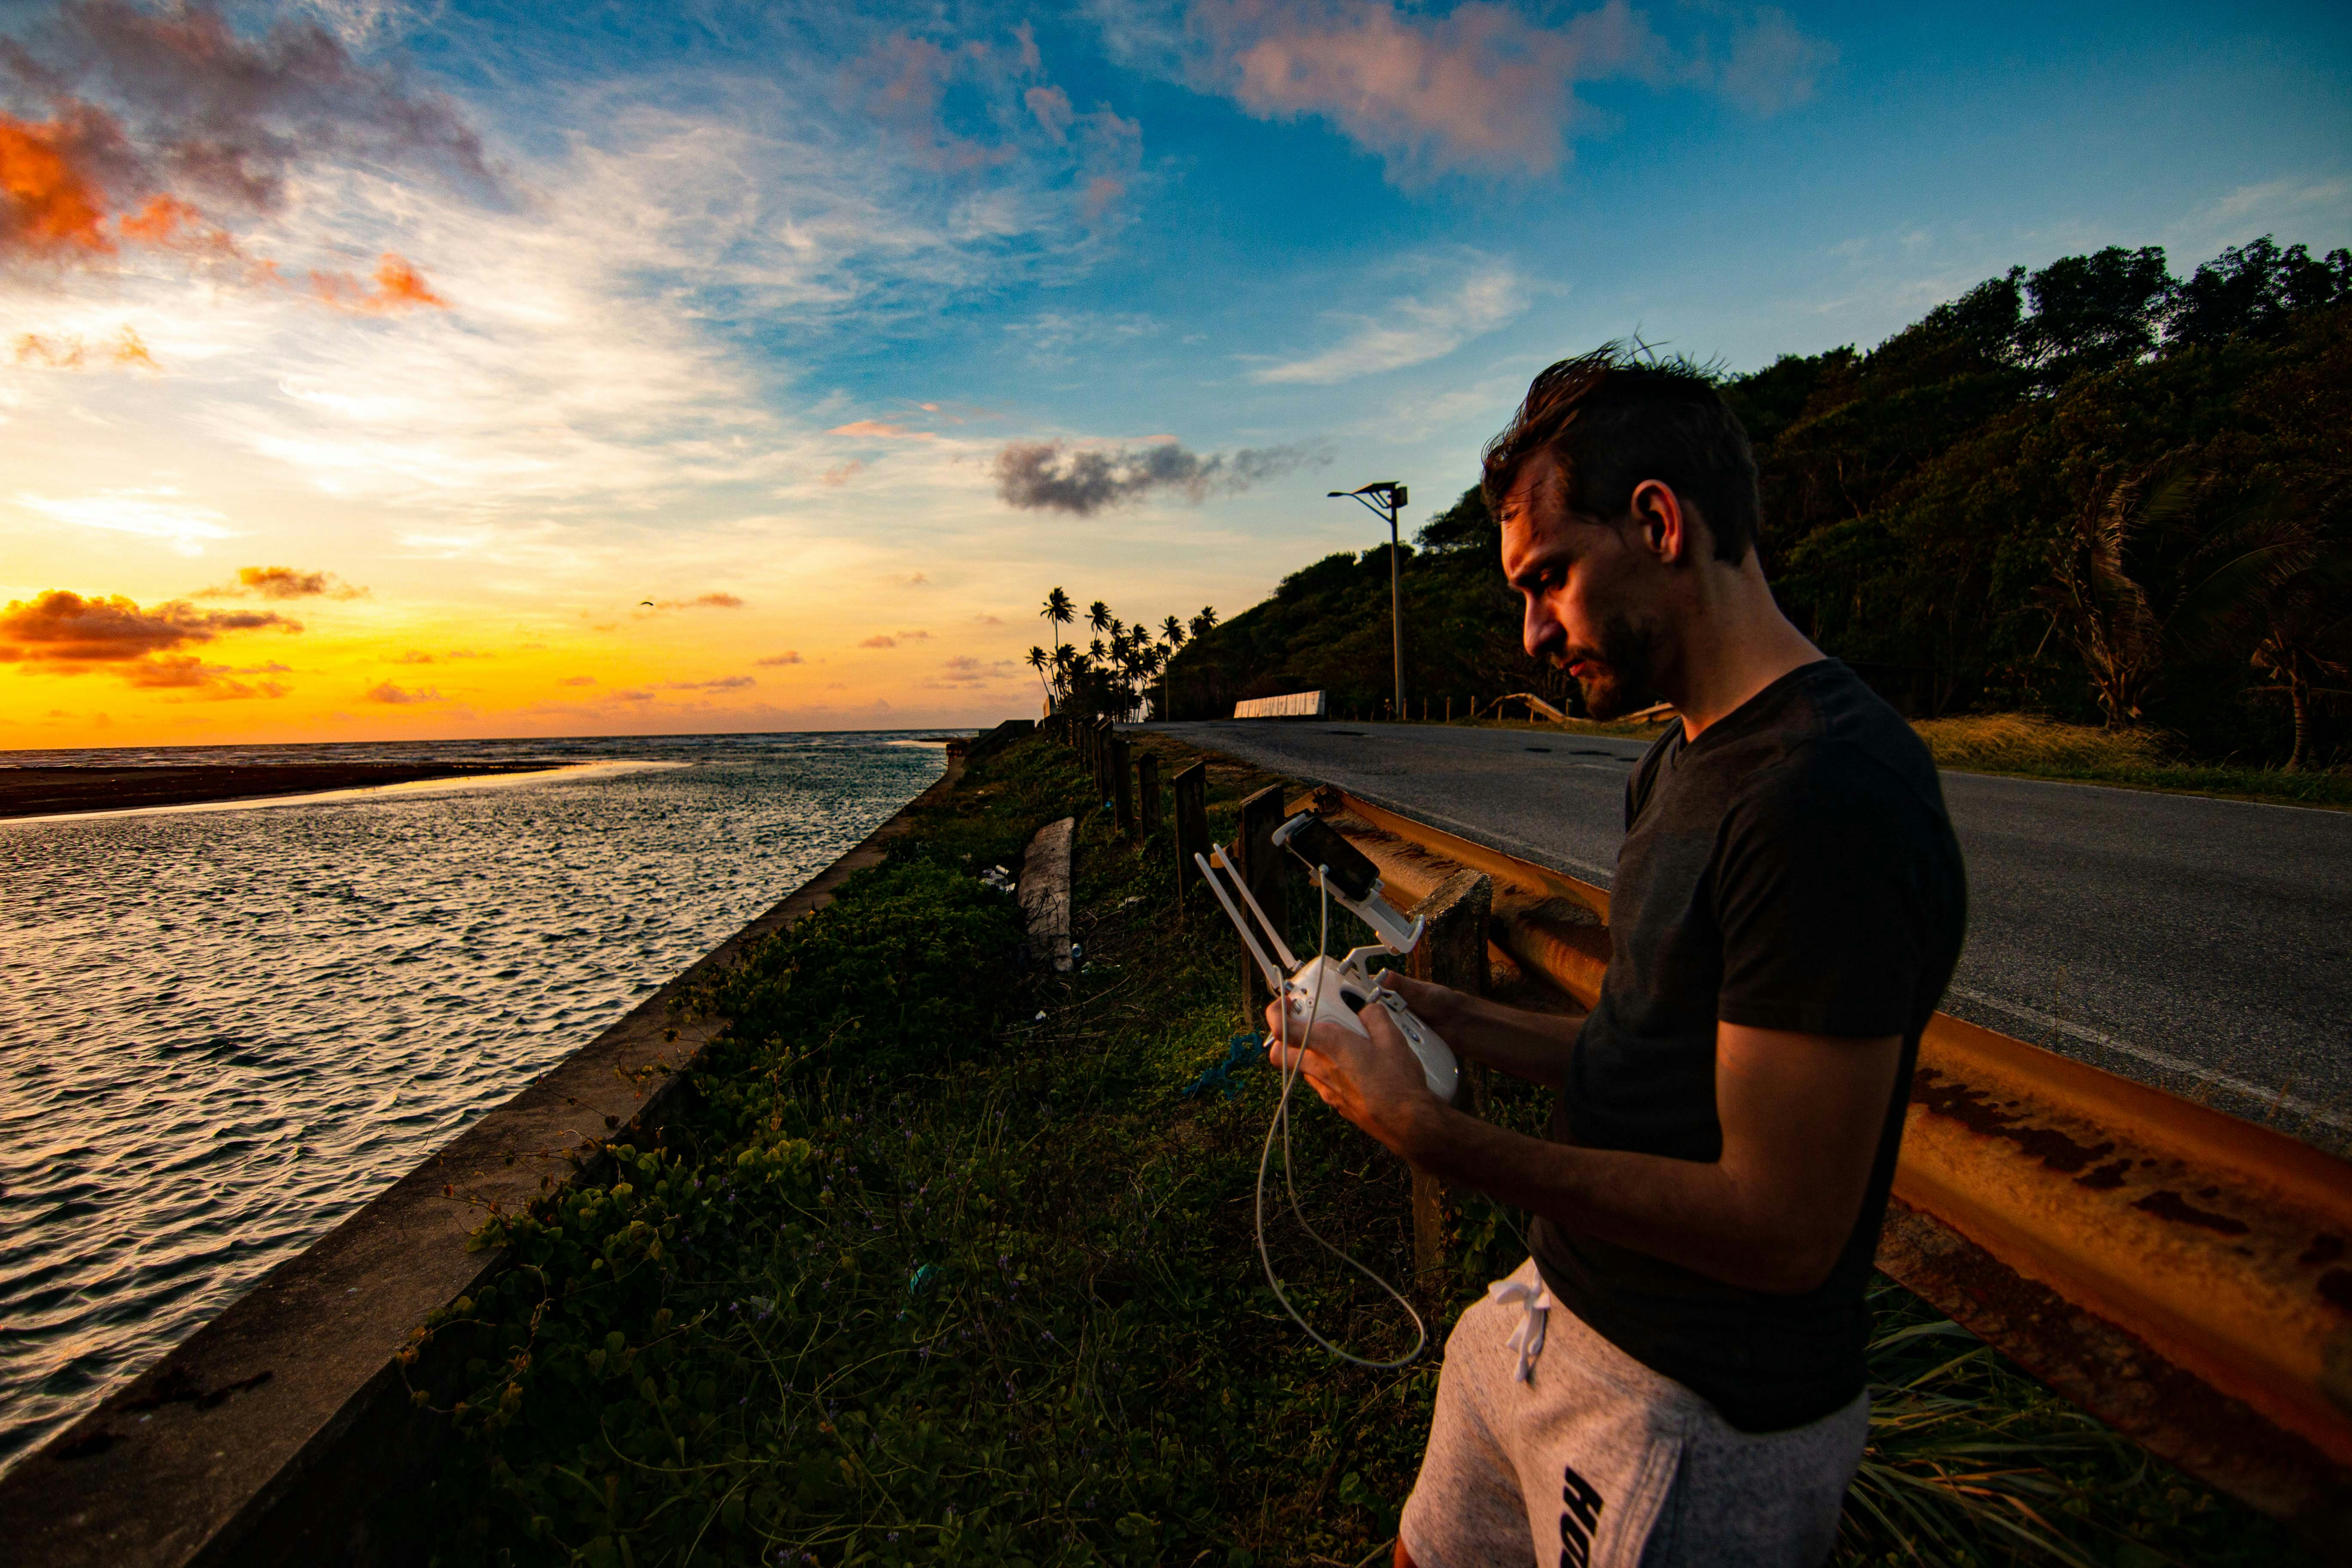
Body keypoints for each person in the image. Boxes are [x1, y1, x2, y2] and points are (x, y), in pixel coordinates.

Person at [1266, 349, 1967, 1567]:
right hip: (1553, 1320)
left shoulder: (1829, 794)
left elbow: (1785, 1227)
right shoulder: (1682, 761)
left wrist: (1438, 1141)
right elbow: (1652, 1055)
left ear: (1656, 521)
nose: (1533, 633)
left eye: (1550, 581)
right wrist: (1450, 1015)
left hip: (1693, 1416)